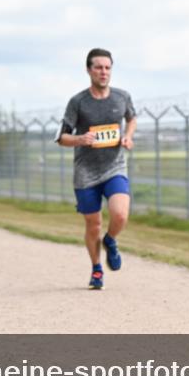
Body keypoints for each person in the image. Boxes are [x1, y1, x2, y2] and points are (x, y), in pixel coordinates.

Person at [56, 49, 137, 290]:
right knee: (93, 225)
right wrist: (80, 139)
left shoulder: (122, 97)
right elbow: (61, 138)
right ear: (89, 70)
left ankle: (111, 241)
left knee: (120, 214)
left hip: (114, 166)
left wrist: (128, 137)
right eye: (98, 67)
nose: (104, 72)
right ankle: (97, 270)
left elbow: (131, 118)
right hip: (86, 173)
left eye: (107, 67)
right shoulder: (78, 102)